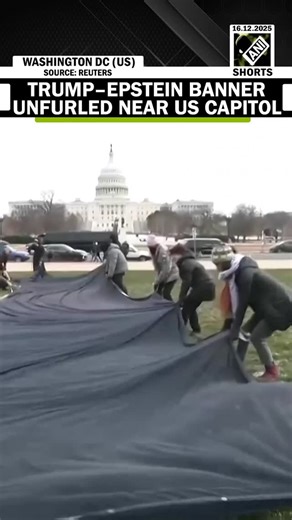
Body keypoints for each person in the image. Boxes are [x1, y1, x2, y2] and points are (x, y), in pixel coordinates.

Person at [212, 245, 292, 382]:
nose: (217, 268)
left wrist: (234, 329)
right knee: (244, 332)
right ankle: (237, 365)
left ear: (225, 262)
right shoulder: (239, 270)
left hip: (280, 309)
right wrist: (235, 328)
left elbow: (242, 304)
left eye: (218, 264)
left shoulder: (244, 275)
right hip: (266, 308)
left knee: (257, 337)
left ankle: (272, 371)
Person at [170, 243, 215, 335]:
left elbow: (186, 282)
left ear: (179, 254)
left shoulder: (186, 264)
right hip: (207, 287)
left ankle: (179, 330)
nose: (172, 259)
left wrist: (181, 298)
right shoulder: (188, 261)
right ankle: (196, 329)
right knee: (191, 307)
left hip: (203, 288)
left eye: (173, 256)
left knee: (186, 308)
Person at [147, 235, 179, 301]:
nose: (149, 248)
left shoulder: (162, 252)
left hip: (172, 274)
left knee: (166, 293)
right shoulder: (154, 251)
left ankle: (172, 308)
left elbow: (166, 269)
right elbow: (158, 267)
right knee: (157, 291)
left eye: (150, 247)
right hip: (164, 274)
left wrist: (158, 280)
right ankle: (159, 305)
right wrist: (157, 280)